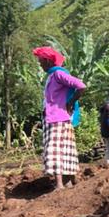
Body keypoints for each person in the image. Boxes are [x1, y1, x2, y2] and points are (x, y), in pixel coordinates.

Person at [33, 46, 85, 190]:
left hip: (57, 118)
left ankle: (60, 184)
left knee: (54, 150)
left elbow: (81, 86)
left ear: (48, 61)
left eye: (41, 62)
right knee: (65, 150)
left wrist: (70, 102)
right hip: (56, 118)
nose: (40, 65)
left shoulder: (58, 74)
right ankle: (67, 183)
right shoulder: (52, 76)